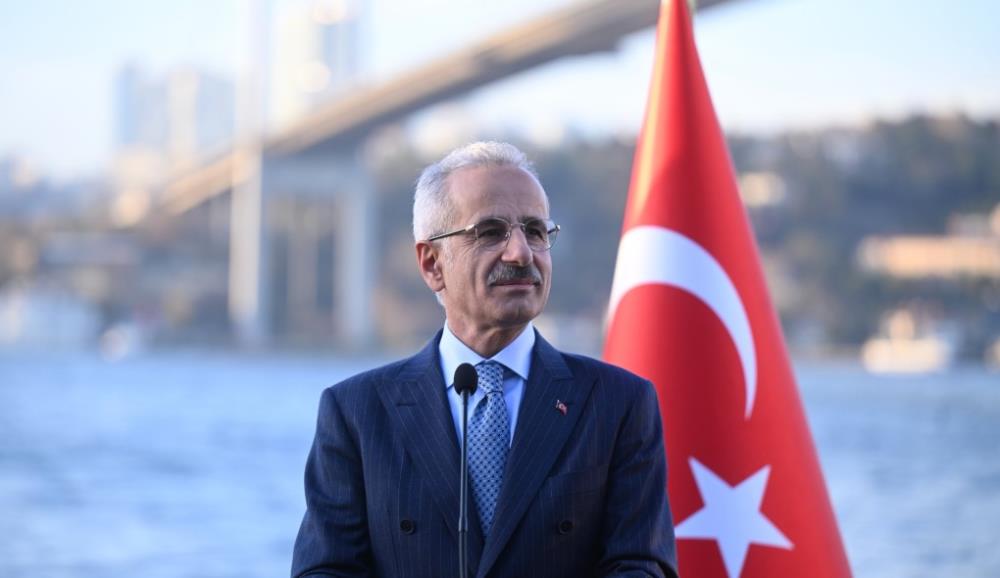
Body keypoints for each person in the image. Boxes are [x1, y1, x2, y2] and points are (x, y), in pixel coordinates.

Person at [291, 141, 678, 578]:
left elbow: (640, 566)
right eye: (491, 232)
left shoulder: (617, 404)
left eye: (535, 231)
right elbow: (326, 570)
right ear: (432, 263)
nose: (521, 253)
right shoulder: (358, 413)